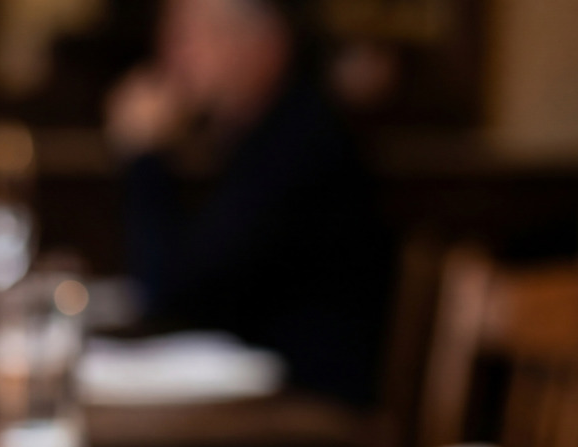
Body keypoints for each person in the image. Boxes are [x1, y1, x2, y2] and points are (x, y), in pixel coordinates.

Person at [105, 0, 393, 406]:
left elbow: (174, 296)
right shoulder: (260, 137)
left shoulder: (300, 145)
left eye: (193, 37)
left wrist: (145, 158)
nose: (172, 59)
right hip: (266, 405)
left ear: (266, 46)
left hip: (314, 415)